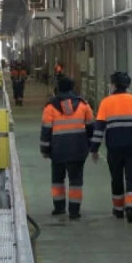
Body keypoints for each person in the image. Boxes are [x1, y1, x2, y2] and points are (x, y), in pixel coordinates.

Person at [89, 72, 132, 223]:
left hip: (114, 148)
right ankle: (130, 207)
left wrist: (94, 149)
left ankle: (118, 210)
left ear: (113, 85)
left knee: (116, 178)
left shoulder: (106, 103)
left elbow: (99, 129)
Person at [40, 77, 95, 220]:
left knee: (57, 180)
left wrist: (45, 150)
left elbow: (46, 131)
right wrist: (90, 146)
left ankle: (59, 208)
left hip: (57, 151)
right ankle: (74, 211)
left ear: (57, 89)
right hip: (78, 150)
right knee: (76, 181)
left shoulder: (50, 107)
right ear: (72, 88)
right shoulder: (83, 105)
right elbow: (91, 128)